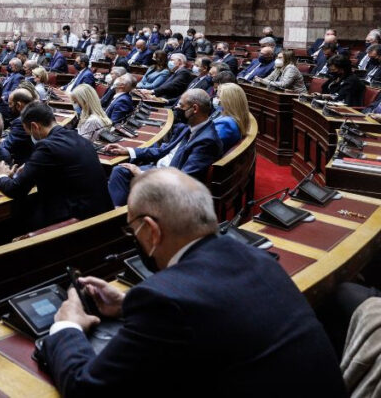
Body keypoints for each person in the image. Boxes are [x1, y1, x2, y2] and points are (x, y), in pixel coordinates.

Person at [39, 167, 345, 398]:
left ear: (151, 230)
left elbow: (86, 389)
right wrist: (126, 305)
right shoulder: (256, 258)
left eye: (132, 230)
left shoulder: (166, 301)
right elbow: (212, 314)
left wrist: (68, 326)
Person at [0, 101, 112, 231]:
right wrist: (32, 166)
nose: (31, 137)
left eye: (29, 133)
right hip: (101, 210)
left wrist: (2, 175)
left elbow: (16, 189)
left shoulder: (47, 147)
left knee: (13, 221)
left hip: (78, 220)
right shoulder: (77, 137)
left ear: (34, 127)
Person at [103, 89, 222, 206]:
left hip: (170, 184)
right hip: (159, 168)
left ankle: (116, 219)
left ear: (195, 109)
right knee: (120, 169)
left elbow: (185, 179)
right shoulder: (188, 128)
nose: (176, 108)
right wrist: (128, 151)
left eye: (181, 105)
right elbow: (162, 150)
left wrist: (140, 173)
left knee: (119, 173)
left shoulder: (207, 141)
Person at [1, 88, 37, 164]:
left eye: (10, 104)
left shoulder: (22, 121)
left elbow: (7, 146)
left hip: (23, 163)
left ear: (18, 105)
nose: (9, 107)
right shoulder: (36, 112)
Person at [214, 82, 252, 150]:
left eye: (218, 97)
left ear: (228, 101)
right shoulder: (233, 118)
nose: (216, 100)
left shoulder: (226, 125)